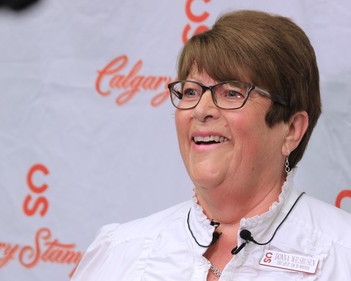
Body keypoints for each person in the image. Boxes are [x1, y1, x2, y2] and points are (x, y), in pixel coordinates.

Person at [71, 10, 351, 281]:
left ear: (291, 129)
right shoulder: (122, 251)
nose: (201, 109)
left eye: (231, 93)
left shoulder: (342, 253)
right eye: (191, 91)